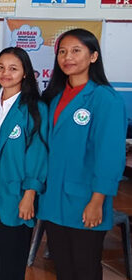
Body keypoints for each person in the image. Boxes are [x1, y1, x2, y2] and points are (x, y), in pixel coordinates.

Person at [37, 28, 126, 280]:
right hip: (53, 198)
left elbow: (110, 156)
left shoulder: (105, 99)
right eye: (62, 52)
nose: (68, 57)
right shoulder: (54, 97)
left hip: (85, 199)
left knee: (85, 268)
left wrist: (97, 201)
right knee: (63, 267)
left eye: (76, 51)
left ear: (93, 56)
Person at [0, 47, 48, 280]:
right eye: (1, 67)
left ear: (25, 73)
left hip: (17, 187)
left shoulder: (35, 108)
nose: (6, 73)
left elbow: (38, 155)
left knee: (12, 257)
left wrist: (29, 194)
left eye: (13, 68)